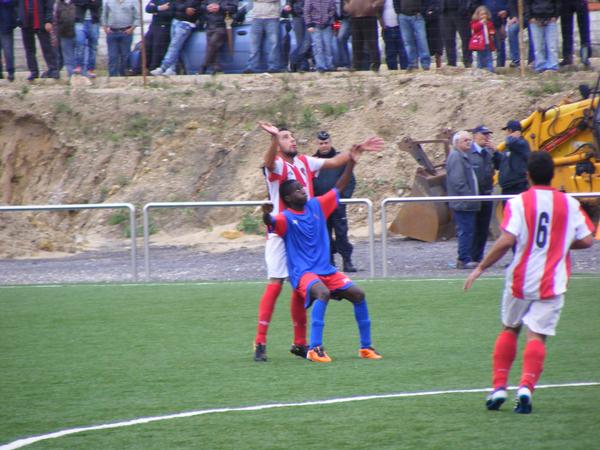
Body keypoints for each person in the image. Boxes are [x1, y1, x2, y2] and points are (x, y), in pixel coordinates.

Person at [464, 151, 594, 414]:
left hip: (520, 279)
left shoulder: (519, 202)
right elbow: (587, 239)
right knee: (537, 335)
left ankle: (499, 387)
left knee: (510, 328)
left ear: (528, 175)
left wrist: (481, 267)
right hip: (553, 281)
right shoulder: (569, 203)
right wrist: (560, 243)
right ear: (553, 174)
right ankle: (525, 387)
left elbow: (507, 240)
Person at [253, 121, 382, 362]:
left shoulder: (304, 161)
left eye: (292, 136)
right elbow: (268, 162)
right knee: (276, 284)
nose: (292, 139)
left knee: (300, 289)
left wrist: (355, 152)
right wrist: (272, 138)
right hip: (281, 228)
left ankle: (301, 343)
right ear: (277, 144)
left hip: (307, 226)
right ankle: (260, 341)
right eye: (285, 137)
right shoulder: (277, 163)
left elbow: (334, 162)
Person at [313, 131, 357, 272]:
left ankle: (347, 260)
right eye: (321, 143)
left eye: (326, 143)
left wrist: (343, 200)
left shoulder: (340, 160)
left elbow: (350, 181)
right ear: (317, 144)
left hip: (337, 205)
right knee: (324, 235)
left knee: (341, 233)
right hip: (320, 207)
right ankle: (329, 262)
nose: (324, 146)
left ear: (330, 142)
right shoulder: (313, 162)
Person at [446, 130, 480, 269]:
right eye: (465, 140)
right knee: (465, 231)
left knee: (468, 230)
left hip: (466, 202)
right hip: (463, 203)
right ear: (456, 143)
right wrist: (470, 196)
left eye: (469, 140)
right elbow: (458, 181)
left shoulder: (462, 155)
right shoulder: (456, 156)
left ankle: (466, 257)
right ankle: (464, 259)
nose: (469, 142)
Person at [150, 0, 199, 76]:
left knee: (174, 46)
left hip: (186, 22)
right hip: (176, 21)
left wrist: (179, 7)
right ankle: (172, 69)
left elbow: (190, 5)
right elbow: (173, 6)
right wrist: (183, 8)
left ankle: (163, 67)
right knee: (174, 46)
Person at [469, 125, 495, 263]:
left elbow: (500, 165)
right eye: (483, 134)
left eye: (488, 135)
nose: (486, 137)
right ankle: (470, 255)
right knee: (472, 227)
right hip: (474, 196)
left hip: (487, 194)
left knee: (483, 227)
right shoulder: (469, 153)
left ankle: (479, 255)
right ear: (475, 136)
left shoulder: (489, 153)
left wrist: (496, 151)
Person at [17, 0, 60, 80]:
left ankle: (54, 70)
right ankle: (33, 72)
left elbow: (49, 4)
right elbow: (16, 4)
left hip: (41, 21)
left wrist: (48, 20)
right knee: (29, 49)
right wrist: (19, 17)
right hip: (25, 22)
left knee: (47, 47)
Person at [199, 0, 238, 74]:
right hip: (209, 25)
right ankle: (216, 68)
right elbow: (201, 6)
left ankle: (204, 66)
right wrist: (207, 8)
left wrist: (220, 8)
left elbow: (234, 9)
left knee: (212, 45)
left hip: (222, 25)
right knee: (213, 48)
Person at [102, 0, 139, 76]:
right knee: (112, 56)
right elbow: (104, 15)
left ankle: (123, 76)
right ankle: (112, 76)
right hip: (112, 32)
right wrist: (105, 28)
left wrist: (132, 29)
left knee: (125, 56)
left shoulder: (132, 1)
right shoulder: (109, 2)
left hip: (126, 32)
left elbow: (137, 17)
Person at [494, 119, 531, 197]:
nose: (506, 134)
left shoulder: (521, 143)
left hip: (517, 187)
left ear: (510, 131)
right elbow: (503, 163)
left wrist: (511, 137)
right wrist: (495, 152)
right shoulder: (510, 146)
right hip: (507, 187)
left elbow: (510, 142)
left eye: (506, 131)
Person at [243, 0, 281, 73]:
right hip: (256, 18)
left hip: (272, 18)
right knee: (254, 45)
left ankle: (274, 67)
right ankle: (251, 67)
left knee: (274, 44)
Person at [344, 0, 383, 71]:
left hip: (369, 17)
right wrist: (348, 6)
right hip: (355, 18)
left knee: (372, 42)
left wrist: (373, 6)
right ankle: (356, 65)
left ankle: (376, 64)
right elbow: (346, 1)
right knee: (356, 43)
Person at [394, 0, 431, 70]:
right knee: (408, 41)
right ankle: (413, 64)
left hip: (418, 16)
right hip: (403, 17)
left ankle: (425, 63)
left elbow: (426, 2)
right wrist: (398, 12)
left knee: (422, 40)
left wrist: (422, 11)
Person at [525, 0, 560, 73]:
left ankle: (553, 66)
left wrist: (555, 16)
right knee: (538, 46)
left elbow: (558, 2)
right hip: (535, 19)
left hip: (550, 18)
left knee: (552, 45)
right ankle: (540, 66)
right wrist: (530, 17)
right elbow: (527, 3)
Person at [440, 0, 476, 68]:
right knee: (448, 39)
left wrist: (466, 7)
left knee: (466, 38)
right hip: (445, 11)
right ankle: (451, 62)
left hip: (461, 11)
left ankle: (467, 61)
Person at [304, 0, 335, 72]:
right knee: (318, 47)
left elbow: (332, 9)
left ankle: (329, 65)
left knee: (328, 46)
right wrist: (309, 25)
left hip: (327, 25)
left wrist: (328, 18)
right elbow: (306, 11)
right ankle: (320, 66)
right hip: (315, 26)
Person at [73, 0, 102, 77]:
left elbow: (98, 4)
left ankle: (90, 70)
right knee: (80, 43)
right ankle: (78, 66)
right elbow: (76, 2)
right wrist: (90, 1)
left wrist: (85, 3)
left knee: (93, 46)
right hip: (80, 21)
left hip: (94, 22)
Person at [559, 0, 591, 67]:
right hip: (565, 3)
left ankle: (585, 58)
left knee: (584, 31)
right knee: (566, 31)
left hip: (580, 2)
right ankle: (567, 58)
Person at [145, 0, 173, 72]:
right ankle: (144, 67)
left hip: (164, 26)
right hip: (153, 26)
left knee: (157, 47)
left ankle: (153, 68)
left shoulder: (172, 1)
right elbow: (148, 9)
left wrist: (156, 10)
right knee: (147, 45)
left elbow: (171, 13)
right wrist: (159, 8)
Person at [52, 0, 77, 77]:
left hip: (77, 33)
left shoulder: (78, 2)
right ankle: (71, 76)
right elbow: (55, 21)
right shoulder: (57, 4)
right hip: (64, 35)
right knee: (68, 58)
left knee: (79, 56)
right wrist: (55, 35)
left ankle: (81, 76)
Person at [381, 0, 408, 70]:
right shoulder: (382, 1)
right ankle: (392, 70)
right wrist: (382, 24)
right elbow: (378, 12)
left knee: (403, 51)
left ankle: (405, 69)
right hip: (387, 28)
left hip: (400, 27)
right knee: (390, 52)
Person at [469, 5, 496, 72]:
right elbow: (474, 29)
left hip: (488, 43)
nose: (484, 16)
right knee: (480, 58)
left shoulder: (489, 23)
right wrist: (480, 23)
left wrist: (492, 34)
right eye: (481, 14)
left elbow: (492, 30)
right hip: (480, 44)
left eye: (485, 14)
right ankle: (480, 69)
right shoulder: (475, 23)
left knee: (489, 57)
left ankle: (490, 70)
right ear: (478, 15)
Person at [482, 0, 508, 67]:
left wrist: (505, 12)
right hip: (485, 24)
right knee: (486, 46)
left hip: (499, 23)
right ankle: (486, 66)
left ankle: (500, 65)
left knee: (500, 46)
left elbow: (508, 6)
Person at [0, 0, 17, 81]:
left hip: (6, 23)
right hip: (6, 22)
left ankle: (10, 73)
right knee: (8, 49)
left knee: (8, 50)